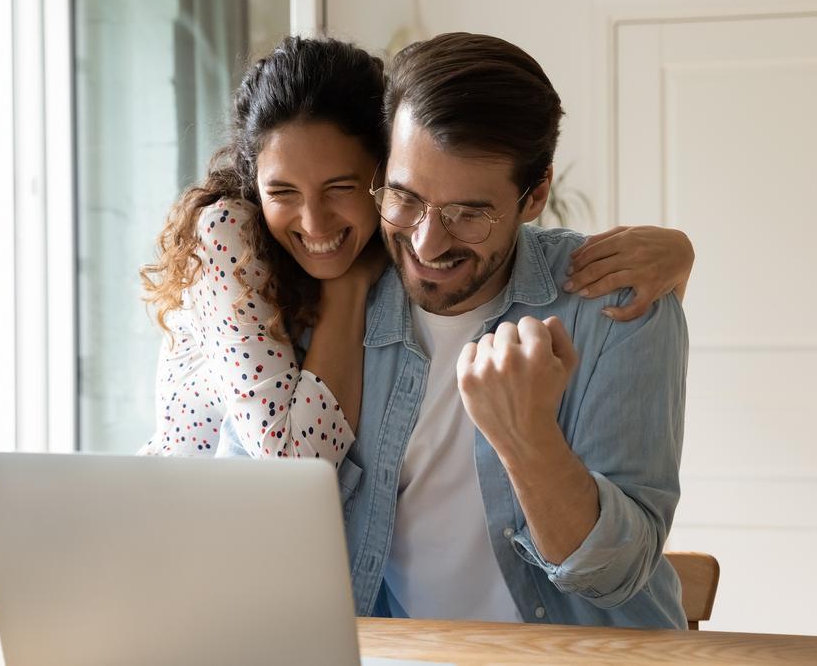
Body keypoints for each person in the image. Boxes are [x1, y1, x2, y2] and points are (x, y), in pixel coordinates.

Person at [138, 36, 694, 466]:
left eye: (341, 188)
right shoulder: (233, 235)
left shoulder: (397, 253)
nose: (313, 222)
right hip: (186, 531)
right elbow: (294, 464)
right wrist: (348, 287)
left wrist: (678, 252)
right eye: (282, 191)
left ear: (383, 169)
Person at [324, 32, 689, 629]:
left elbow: (617, 573)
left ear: (535, 194)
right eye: (405, 197)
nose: (426, 241)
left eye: (469, 213)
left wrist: (525, 437)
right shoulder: (341, 301)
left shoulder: (620, 301)